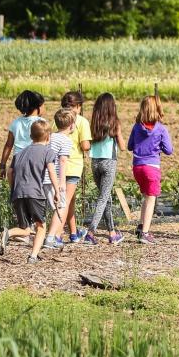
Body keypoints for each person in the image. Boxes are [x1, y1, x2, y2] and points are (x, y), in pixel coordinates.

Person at [0, 119, 62, 263]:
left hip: (18, 193)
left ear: (31, 136)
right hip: (35, 193)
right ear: (48, 137)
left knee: (25, 229)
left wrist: (14, 189)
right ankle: (33, 257)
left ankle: (8, 233)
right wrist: (57, 191)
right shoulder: (48, 152)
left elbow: (10, 172)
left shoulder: (19, 154)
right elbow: (51, 171)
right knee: (41, 226)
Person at [127, 95, 173, 245]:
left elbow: (129, 146)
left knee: (146, 196)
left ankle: (141, 226)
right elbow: (169, 150)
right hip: (152, 167)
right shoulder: (160, 128)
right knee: (151, 198)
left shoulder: (136, 127)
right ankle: (145, 233)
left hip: (137, 166)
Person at [84, 92, 125, 245]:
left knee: (106, 198)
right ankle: (91, 232)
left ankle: (112, 233)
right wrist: (118, 134)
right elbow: (122, 147)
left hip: (95, 162)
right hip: (109, 162)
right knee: (103, 198)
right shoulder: (115, 123)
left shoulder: (93, 124)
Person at [59, 91, 93, 243]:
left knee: (69, 200)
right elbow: (85, 146)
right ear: (78, 106)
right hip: (73, 166)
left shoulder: (57, 119)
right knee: (65, 201)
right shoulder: (81, 121)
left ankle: (73, 233)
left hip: (59, 165)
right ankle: (57, 234)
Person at [0, 90, 45, 187]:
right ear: (38, 107)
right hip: (36, 160)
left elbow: (8, 145)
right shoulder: (41, 123)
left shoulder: (15, 123)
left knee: (18, 190)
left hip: (17, 161)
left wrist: (2, 166)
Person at [43, 109, 75, 248]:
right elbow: (62, 161)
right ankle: (50, 238)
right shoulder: (66, 140)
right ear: (72, 125)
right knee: (61, 206)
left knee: (48, 208)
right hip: (53, 179)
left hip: (42, 177)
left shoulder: (50, 137)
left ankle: (45, 235)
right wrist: (62, 182)